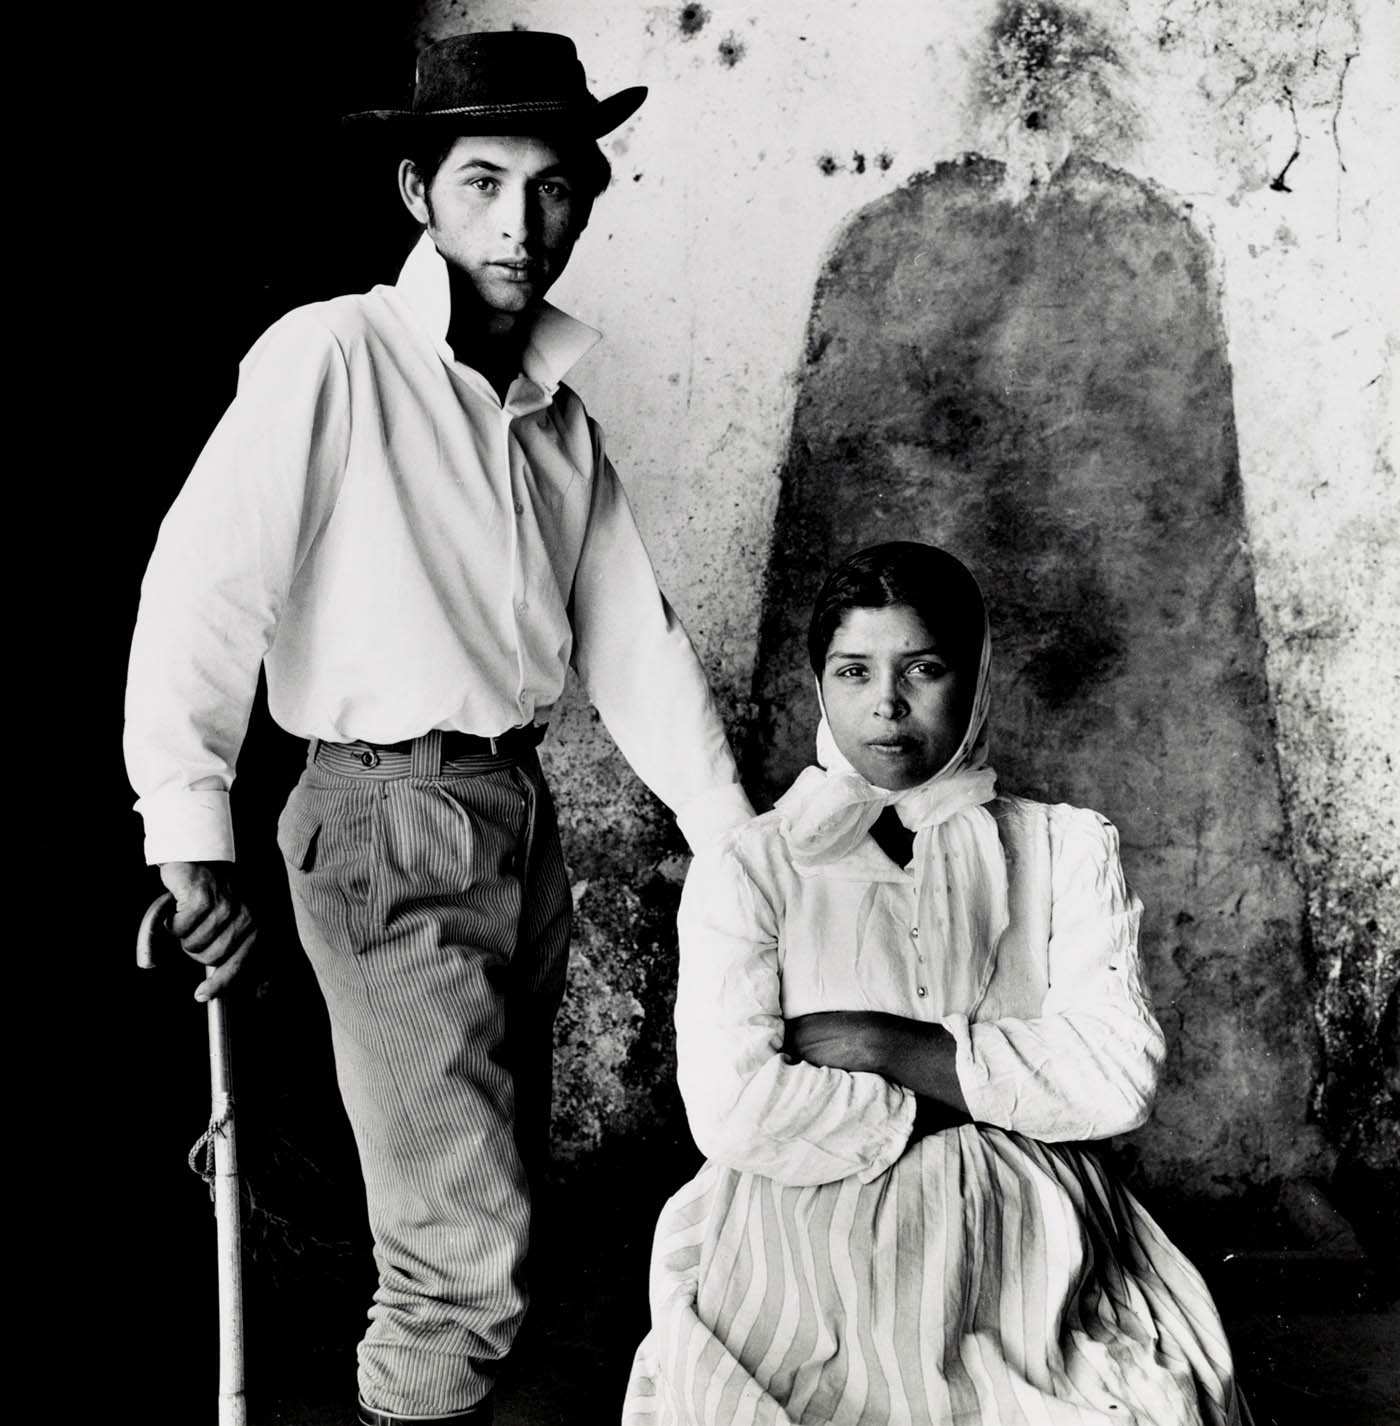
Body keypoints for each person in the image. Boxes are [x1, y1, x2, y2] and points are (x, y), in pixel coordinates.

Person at [123, 31, 753, 1426]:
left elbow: (636, 648)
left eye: (552, 188)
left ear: (585, 199)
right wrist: (190, 837)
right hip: (379, 823)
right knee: (460, 1259)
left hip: (514, 825)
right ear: (418, 189)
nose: (520, 224)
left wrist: (739, 843)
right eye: (482, 182)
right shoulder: (333, 357)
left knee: (495, 1204)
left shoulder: (558, 423)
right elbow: (204, 590)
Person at [624, 542, 1250, 1425]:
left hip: (1031, 1234)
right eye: (853, 671)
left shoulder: (1063, 846)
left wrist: (885, 1046)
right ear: (821, 687)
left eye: (924, 668)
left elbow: (1116, 1077)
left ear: (976, 677)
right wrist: (981, 1090)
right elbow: (732, 1108)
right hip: (806, 1236)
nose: (886, 703)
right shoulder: (755, 864)